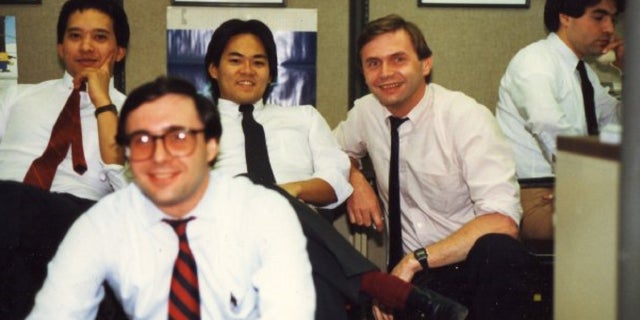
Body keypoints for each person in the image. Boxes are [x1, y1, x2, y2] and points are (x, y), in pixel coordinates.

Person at [205, 19, 467, 320]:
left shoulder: (304, 118)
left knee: (307, 270)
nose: (248, 71)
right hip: (225, 242)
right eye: (235, 61)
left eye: (259, 62)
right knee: (246, 187)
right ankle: (378, 285)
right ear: (214, 69)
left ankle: (372, 285)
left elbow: (335, 177)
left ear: (271, 72)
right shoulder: (193, 126)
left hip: (301, 243)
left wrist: (295, 190)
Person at [27, 76, 316, 319]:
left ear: (211, 147)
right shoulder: (102, 224)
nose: (159, 156)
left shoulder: (264, 213)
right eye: (141, 140)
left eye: (178, 138)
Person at [334, 14, 537, 319]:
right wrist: (355, 177)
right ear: (363, 73)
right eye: (373, 63)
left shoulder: (465, 117)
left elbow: (502, 220)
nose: (385, 73)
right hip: (417, 280)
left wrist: (416, 259)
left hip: (467, 266)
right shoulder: (366, 113)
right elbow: (329, 149)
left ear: (425, 65)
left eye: (398, 59)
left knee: (501, 251)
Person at [0, 0, 129, 318]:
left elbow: (131, 194)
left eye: (100, 37)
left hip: (77, 222)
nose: (86, 46)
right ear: (60, 47)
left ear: (120, 50)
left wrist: (103, 102)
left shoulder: (134, 113)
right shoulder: (17, 97)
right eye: (75, 36)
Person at [495, 0, 624, 240]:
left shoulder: (585, 74)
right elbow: (548, 125)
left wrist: (629, 69)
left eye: (612, 19)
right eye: (599, 17)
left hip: (573, 189)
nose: (609, 29)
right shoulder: (534, 62)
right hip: (536, 197)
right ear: (566, 18)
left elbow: (618, 124)